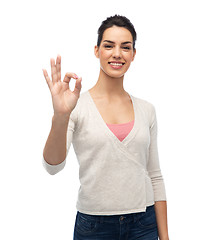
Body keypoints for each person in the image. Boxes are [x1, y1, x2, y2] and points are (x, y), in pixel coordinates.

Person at [42, 14, 169, 240]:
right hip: (93, 226)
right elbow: (53, 166)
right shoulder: (77, 107)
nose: (117, 54)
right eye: (109, 46)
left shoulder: (147, 110)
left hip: (143, 223)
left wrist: (166, 237)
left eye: (126, 47)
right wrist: (61, 116)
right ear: (96, 50)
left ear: (133, 54)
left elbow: (155, 176)